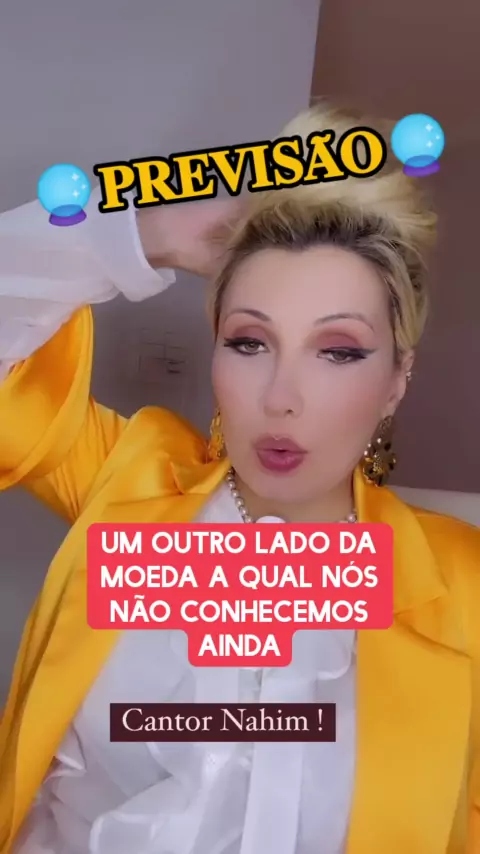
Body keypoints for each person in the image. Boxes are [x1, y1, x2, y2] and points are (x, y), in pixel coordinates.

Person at [0, 102, 479, 854]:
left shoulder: (462, 584)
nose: (281, 397)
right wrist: (151, 232)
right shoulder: (128, 481)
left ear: (396, 379)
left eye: (338, 351)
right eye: (251, 341)